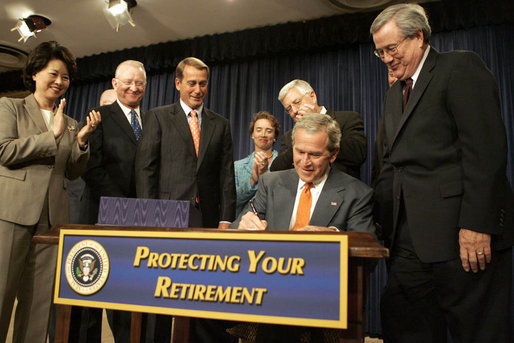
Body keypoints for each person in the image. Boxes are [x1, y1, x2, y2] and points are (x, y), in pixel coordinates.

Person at [370, 4, 514, 343]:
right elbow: (390, 165)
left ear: (418, 36)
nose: (387, 58)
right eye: (380, 52)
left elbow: (486, 153)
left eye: (392, 48)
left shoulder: (459, 67)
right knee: (404, 327)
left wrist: (477, 224)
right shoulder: (394, 94)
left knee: (479, 332)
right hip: (408, 242)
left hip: (463, 237)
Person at [234, 113, 375, 342]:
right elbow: (233, 229)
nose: (305, 161)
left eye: (315, 154)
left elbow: (368, 254)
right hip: (270, 302)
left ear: (334, 153)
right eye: (300, 152)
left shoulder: (356, 193)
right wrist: (243, 225)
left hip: (323, 305)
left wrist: (334, 237)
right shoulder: (271, 183)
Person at [0, 41, 100, 343]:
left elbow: (72, 171)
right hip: (13, 214)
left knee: (40, 303)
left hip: (52, 219)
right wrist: (51, 136)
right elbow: (5, 151)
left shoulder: (70, 123)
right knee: (2, 292)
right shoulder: (10, 106)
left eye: (66, 77)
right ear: (34, 73)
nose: (59, 82)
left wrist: (81, 142)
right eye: (53, 73)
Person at [135, 57, 236, 343]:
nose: (198, 89)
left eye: (203, 84)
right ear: (178, 83)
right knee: (163, 289)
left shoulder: (221, 124)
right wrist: (148, 215)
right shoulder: (156, 116)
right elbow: (146, 169)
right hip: (166, 219)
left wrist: (226, 218)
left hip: (207, 219)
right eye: (191, 83)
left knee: (201, 290)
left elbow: (226, 175)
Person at [74, 60, 146, 342]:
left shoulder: (152, 120)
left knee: (126, 297)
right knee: (91, 296)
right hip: (101, 217)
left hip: (138, 224)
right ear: (115, 84)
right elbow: (92, 168)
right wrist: (122, 205)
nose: (133, 87)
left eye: (139, 83)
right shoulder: (99, 116)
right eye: (127, 82)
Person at [270, 79, 366, 179]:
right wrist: (299, 140)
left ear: (312, 96)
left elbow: (358, 155)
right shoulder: (289, 136)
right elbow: (276, 169)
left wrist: (319, 124)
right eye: (289, 108)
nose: (294, 111)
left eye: (297, 102)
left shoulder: (348, 118)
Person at [234, 111, 279, 213]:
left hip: (275, 222)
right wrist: (253, 180)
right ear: (252, 134)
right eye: (259, 130)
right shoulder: (238, 167)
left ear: (275, 136)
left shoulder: (283, 164)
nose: (263, 135)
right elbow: (234, 201)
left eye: (269, 131)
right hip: (247, 223)